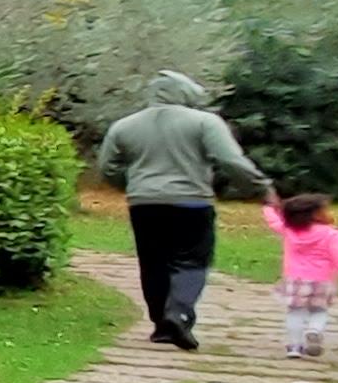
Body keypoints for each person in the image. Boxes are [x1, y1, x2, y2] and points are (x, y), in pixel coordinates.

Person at [94, 70, 267, 351]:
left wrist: (133, 184)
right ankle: (179, 312)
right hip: (192, 202)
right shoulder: (204, 122)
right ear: (187, 93)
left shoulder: (124, 126)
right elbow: (230, 160)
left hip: (144, 203)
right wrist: (261, 187)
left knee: (153, 262)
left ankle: (162, 326)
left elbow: (107, 168)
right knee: (192, 259)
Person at [267, 191, 338, 358]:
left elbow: (273, 221)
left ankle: (294, 347)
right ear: (315, 214)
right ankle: (314, 331)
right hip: (322, 281)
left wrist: (268, 205)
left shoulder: (289, 230)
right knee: (319, 311)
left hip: (295, 280)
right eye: (325, 210)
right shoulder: (332, 235)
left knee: (295, 312)